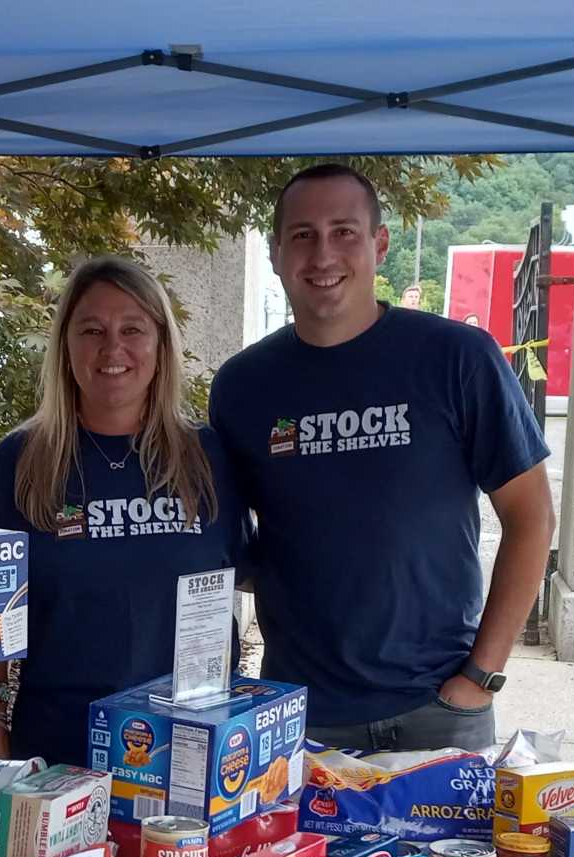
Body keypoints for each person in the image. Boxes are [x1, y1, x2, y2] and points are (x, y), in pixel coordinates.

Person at [208, 163, 554, 750]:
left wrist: (481, 676)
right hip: (301, 713)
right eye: (302, 235)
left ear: (380, 244)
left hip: (441, 708)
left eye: (344, 231)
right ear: (275, 253)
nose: (323, 254)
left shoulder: (458, 358)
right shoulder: (243, 387)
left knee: (454, 850)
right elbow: (228, 545)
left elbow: (531, 517)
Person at [0, 256, 248, 765]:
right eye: (92, 330)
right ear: (66, 345)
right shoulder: (20, 462)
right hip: (59, 748)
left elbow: (245, 574)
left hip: (190, 742)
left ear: (161, 344)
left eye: (133, 329)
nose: (112, 348)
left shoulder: (208, 458)